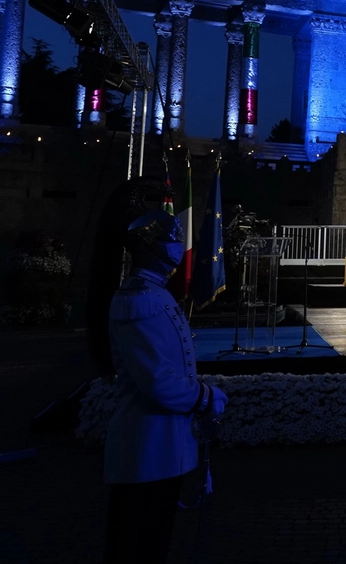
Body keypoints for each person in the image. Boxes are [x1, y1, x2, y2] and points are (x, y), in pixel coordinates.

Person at [99, 203, 229, 564]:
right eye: (171, 240)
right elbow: (158, 382)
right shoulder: (138, 300)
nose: (178, 248)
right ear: (149, 247)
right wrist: (205, 397)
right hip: (146, 445)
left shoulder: (154, 293)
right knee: (136, 543)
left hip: (165, 444)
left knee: (156, 537)